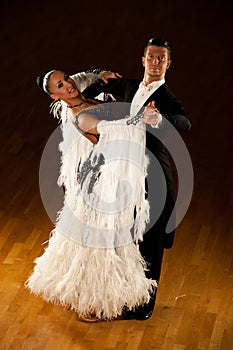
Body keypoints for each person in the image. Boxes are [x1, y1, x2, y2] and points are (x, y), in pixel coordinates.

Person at [25, 69, 158, 322]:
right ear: (55, 98)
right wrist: (143, 117)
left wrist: (100, 73)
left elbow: (83, 77)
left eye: (66, 79)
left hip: (100, 175)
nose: (69, 85)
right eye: (61, 86)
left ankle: (89, 293)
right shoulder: (80, 116)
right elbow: (117, 132)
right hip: (97, 186)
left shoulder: (79, 92)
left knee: (97, 240)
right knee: (98, 242)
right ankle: (90, 302)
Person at [81, 37, 192, 320]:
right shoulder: (130, 86)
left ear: (168, 64)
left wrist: (158, 119)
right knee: (126, 238)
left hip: (154, 178)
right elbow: (95, 88)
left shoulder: (166, 98)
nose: (155, 62)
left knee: (151, 243)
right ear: (143, 60)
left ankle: (143, 306)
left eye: (161, 58)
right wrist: (100, 81)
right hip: (126, 176)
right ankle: (121, 295)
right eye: (151, 57)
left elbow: (184, 122)